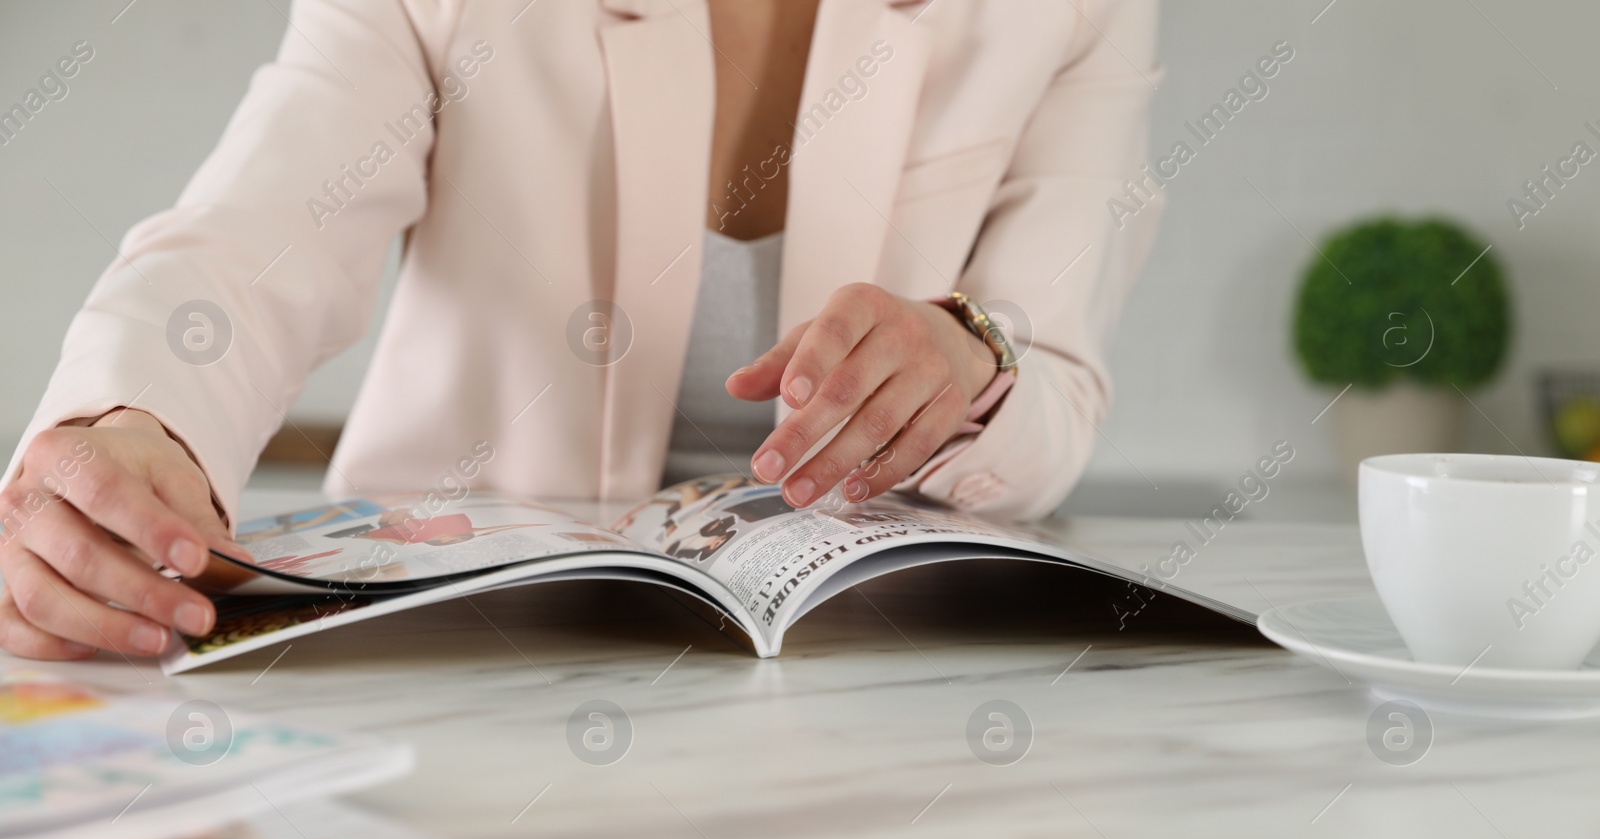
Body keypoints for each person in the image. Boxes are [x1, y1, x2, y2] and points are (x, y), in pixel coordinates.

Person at [0, 0, 1164, 660]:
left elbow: (1052, 371)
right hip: (461, 645)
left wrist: (971, 355)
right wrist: (128, 415)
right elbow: (249, 236)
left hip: (879, 656)